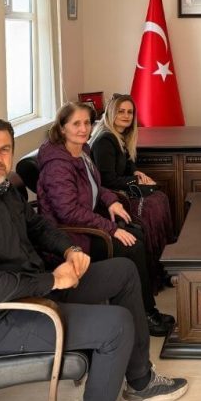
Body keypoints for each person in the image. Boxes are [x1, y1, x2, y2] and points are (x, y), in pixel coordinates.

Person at [0, 118, 188, 401]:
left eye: (4, 150)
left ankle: (140, 381)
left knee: (123, 271)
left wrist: (69, 250)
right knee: (117, 324)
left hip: (33, 292)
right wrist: (53, 279)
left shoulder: (2, 190)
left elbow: (38, 226)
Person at [36, 103, 174, 337]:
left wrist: (111, 201)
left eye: (87, 123)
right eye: (76, 124)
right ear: (62, 128)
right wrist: (110, 229)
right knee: (131, 246)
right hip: (71, 237)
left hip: (88, 224)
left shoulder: (82, 149)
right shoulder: (57, 165)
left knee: (136, 232)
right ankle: (146, 315)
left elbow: (96, 186)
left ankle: (141, 307)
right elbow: (67, 212)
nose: (83, 129)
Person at [90, 94, 175, 293]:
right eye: (121, 111)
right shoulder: (105, 140)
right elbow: (107, 180)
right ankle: (154, 274)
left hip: (121, 188)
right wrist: (136, 182)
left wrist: (136, 172)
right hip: (111, 197)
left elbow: (127, 163)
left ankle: (165, 266)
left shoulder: (119, 136)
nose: (126, 116)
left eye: (130, 112)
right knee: (153, 207)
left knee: (160, 198)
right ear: (111, 113)